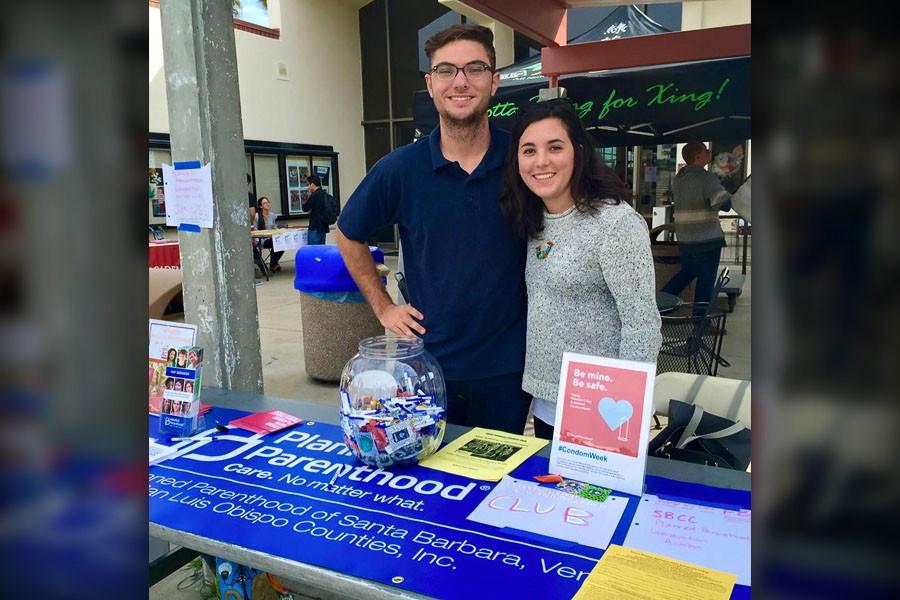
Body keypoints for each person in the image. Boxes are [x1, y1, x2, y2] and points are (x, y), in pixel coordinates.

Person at [336, 24, 530, 434]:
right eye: (446, 70)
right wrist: (383, 307)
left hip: (508, 370)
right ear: (431, 83)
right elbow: (348, 232)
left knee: (495, 488)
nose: (460, 81)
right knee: (427, 486)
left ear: (494, 82)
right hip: (424, 366)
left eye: (474, 69)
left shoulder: (522, 160)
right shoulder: (400, 169)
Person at [500, 100, 662, 440]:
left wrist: (626, 412)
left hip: (602, 409)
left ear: (579, 151)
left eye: (554, 147)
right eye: (529, 150)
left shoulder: (615, 224)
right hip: (545, 403)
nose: (541, 161)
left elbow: (642, 324)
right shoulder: (532, 221)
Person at [661, 141, 733, 308]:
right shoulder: (707, 178)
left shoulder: (678, 179)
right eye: (705, 150)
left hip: (685, 238)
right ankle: (700, 322)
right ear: (698, 156)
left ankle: (660, 302)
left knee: (688, 273)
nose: (709, 152)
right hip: (707, 238)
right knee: (706, 282)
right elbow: (724, 204)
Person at [255, 196, 285, 271]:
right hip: (261, 239)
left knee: (282, 242)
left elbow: (273, 227)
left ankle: (273, 263)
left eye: (268, 202)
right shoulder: (257, 216)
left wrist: (277, 229)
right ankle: (273, 264)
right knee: (275, 242)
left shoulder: (272, 215)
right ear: (261, 206)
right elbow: (254, 229)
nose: (267, 204)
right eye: (265, 203)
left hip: (272, 238)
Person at [302, 174, 329, 245]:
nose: (308, 187)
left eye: (308, 184)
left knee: (313, 252)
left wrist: (304, 199)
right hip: (323, 228)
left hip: (314, 228)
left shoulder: (314, 195)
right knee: (321, 252)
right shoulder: (325, 194)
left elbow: (305, 208)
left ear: (312, 184)